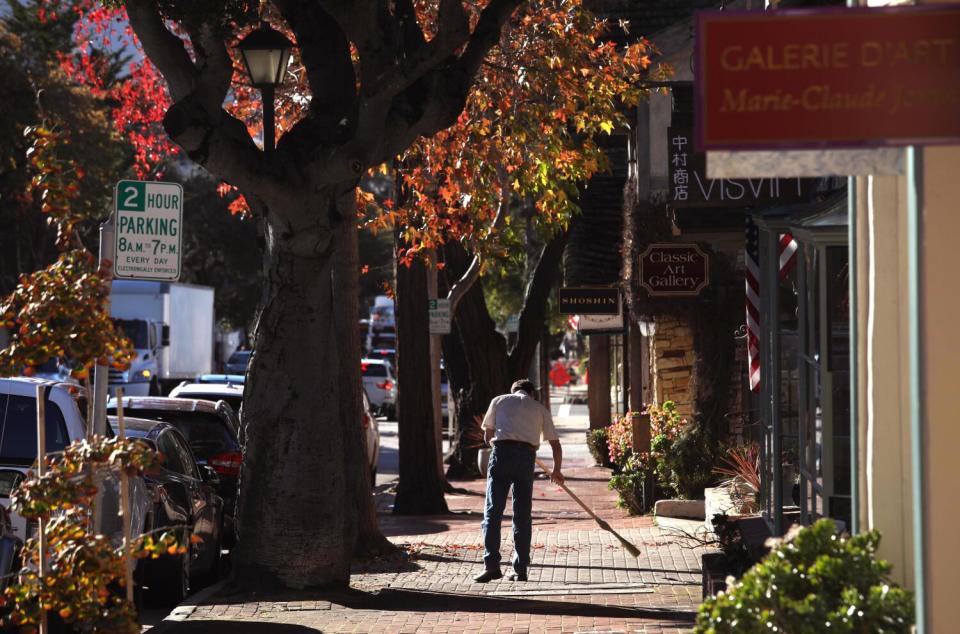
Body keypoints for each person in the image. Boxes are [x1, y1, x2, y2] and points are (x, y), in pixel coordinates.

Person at [474, 379, 563, 583]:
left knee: (493, 512)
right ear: (531, 393)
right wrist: (556, 470)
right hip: (526, 458)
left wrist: (504, 440)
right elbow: (556, 445)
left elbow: (487, 437)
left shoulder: (499, 400)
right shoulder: (539, 408)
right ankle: (520, 569)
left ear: (513, 391)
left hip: (501, 455)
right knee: (522, 515)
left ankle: (491, 566)